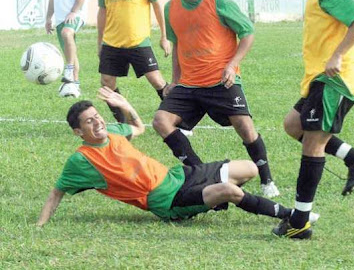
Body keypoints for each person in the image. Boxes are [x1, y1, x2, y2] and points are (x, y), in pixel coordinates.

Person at [37, 87, 320, 227]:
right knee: (229, 190)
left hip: (177, 175)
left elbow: (137, 127)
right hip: (164, 200)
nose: (97, 122)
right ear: (78, 132)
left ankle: (211, 201)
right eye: (89, 122)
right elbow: (56, 192)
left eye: (96, 116)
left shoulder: (112, 131)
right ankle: (291, 216)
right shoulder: (82, 160)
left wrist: (125, 104)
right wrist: (41, 225)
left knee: (249, 170)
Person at [272, 0, 354, 240]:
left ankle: (299, 222)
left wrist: (337, 55)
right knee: (294, 125)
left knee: (313, 143)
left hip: (336, 80)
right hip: (321, 79)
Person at [152, 0, 279, 198]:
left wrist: (232, 66)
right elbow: (177, 45)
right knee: (160, 121)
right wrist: (175, 80)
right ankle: (200, 174)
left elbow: (247, 32)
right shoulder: (171, 7)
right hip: (189, 84)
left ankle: (267, 180)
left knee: (245, 127)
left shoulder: (217, 0)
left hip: (221, 80)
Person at [97, 0, 171, 123]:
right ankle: (124, 122)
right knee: (107, 82)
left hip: (138, 40)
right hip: (112, 41)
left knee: (156, 80)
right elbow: (103, 11)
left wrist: (164, 36)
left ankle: (178, 119)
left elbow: (156, 4)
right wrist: (100, 41)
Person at [45, 0, 90, 98]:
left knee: (67, 33)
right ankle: (74, 85)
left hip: (75, 14)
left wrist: (74, 12)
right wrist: (48, 18)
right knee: (69, 52)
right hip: (60, 19)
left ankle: (69, 70)